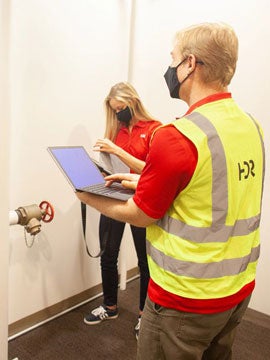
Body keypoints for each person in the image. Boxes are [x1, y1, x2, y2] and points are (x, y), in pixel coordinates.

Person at [77, 22, 265, 360]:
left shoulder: (177, 135)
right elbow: (209, 187)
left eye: (173, 59)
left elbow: (142, 214)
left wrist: (88, 195)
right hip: (237, 291)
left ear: (190, 64)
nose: (170, 68)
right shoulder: (250, 125)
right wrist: (139, 181)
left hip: (184, 301)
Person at [83, 82, 162, 341]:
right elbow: (113, 167)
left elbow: (151, 171)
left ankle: (143, 315)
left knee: (144, 262)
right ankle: (110, 306)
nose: (118, 114)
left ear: (133, 102)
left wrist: (116, 150)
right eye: (115, 110)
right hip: (115, 198)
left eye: (121, 108)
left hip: (140, 202)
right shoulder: (116, 131)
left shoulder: (154, 129)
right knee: (108, 254)